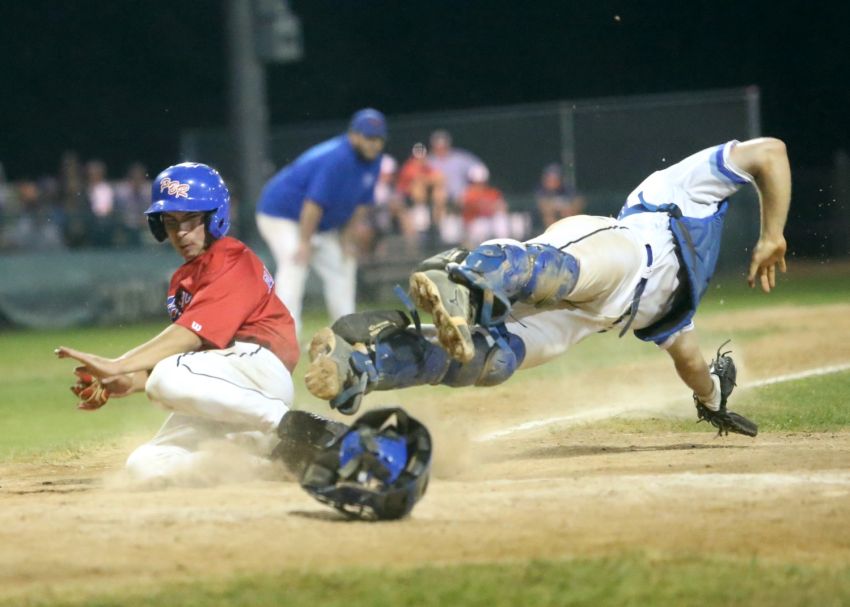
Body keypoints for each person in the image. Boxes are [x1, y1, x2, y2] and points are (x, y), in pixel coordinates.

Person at [302, 138, 791, 435]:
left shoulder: (677, 313)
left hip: (586, 317)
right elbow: (771, 152)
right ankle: (463, 279)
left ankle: (362, 365)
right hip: (622, 249)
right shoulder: (681, 190)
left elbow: (690, 362)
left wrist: (711, 401)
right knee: (557, 270)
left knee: (489, 361)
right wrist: (772, 234)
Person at [55, 163, 347, 483]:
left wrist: (120, 364)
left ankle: (295, 426)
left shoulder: (231, 257)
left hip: (258, 370)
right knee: (145, 464)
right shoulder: (185, 278)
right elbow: (196, 364)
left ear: (214, 216)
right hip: (229, 392)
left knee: (164, 378)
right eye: (171, 221)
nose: (181, 232)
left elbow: (189, 339)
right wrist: (129, 381)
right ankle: (268, 462)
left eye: (191, 219)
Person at [256, 108, 387, 335]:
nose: (373, 144)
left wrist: (347, 239)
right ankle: (286, 334)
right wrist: (305, 242)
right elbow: (313, 203)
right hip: (279, 213)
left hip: (317, 222)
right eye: (368, 137)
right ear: (353, 135)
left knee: (343, 264)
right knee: (294, 261)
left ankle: (347, 332)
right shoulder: (338, 158)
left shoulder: (373, 161)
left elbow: (362, 204)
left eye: (378, 139)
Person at [461, 163, 510, 247]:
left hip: (490, 221)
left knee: (501, 218)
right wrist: (490, 206)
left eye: (481, 182)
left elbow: (503, 207)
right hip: (474, 224)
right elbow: (473, 208)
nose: (479, 184)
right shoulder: (468, 194)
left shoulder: (492, 192)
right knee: (480, 227)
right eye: (476, 182)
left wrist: (492, 207)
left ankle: (504, 247)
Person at [535, 163, 585, 229]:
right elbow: (544, 206)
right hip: (542, 225)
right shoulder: (541, 190)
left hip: (566, 219)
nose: (552, 182)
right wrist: (558, 207)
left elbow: (580, 201)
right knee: (549, 215)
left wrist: (570, 209)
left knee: (569, 213)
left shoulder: (567, 189)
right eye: (550, 179)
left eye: (555, 179)